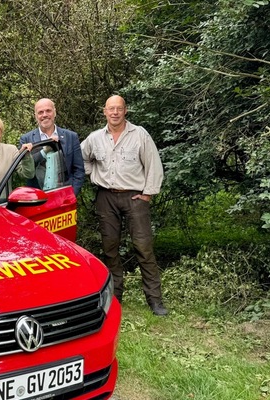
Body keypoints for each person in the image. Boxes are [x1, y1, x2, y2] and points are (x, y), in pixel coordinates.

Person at [81, 95, 167, 316]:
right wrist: (93, 174)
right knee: (110, 248)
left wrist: (148, 193)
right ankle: (115, 297)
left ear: (125, 111)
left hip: (134, 197)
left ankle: (155, 300)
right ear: (105, 112)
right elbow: (80, 159)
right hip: (106, 198)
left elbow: (153, 163)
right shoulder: (94, 138)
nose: (115, 112)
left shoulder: (139, 134)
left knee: (143, 247)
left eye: (119, 108)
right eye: (111, 109)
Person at [19, 98, 85, 195]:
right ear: (36, 116)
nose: (45, 115)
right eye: (40, 112)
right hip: (37, 200)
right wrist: (44, 151)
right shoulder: (26, 139)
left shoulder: (71, 137)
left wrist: (72, 195)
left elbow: (78, 170)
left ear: (54, 112)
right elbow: (27, 172)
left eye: (48, 111)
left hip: (63, 198)